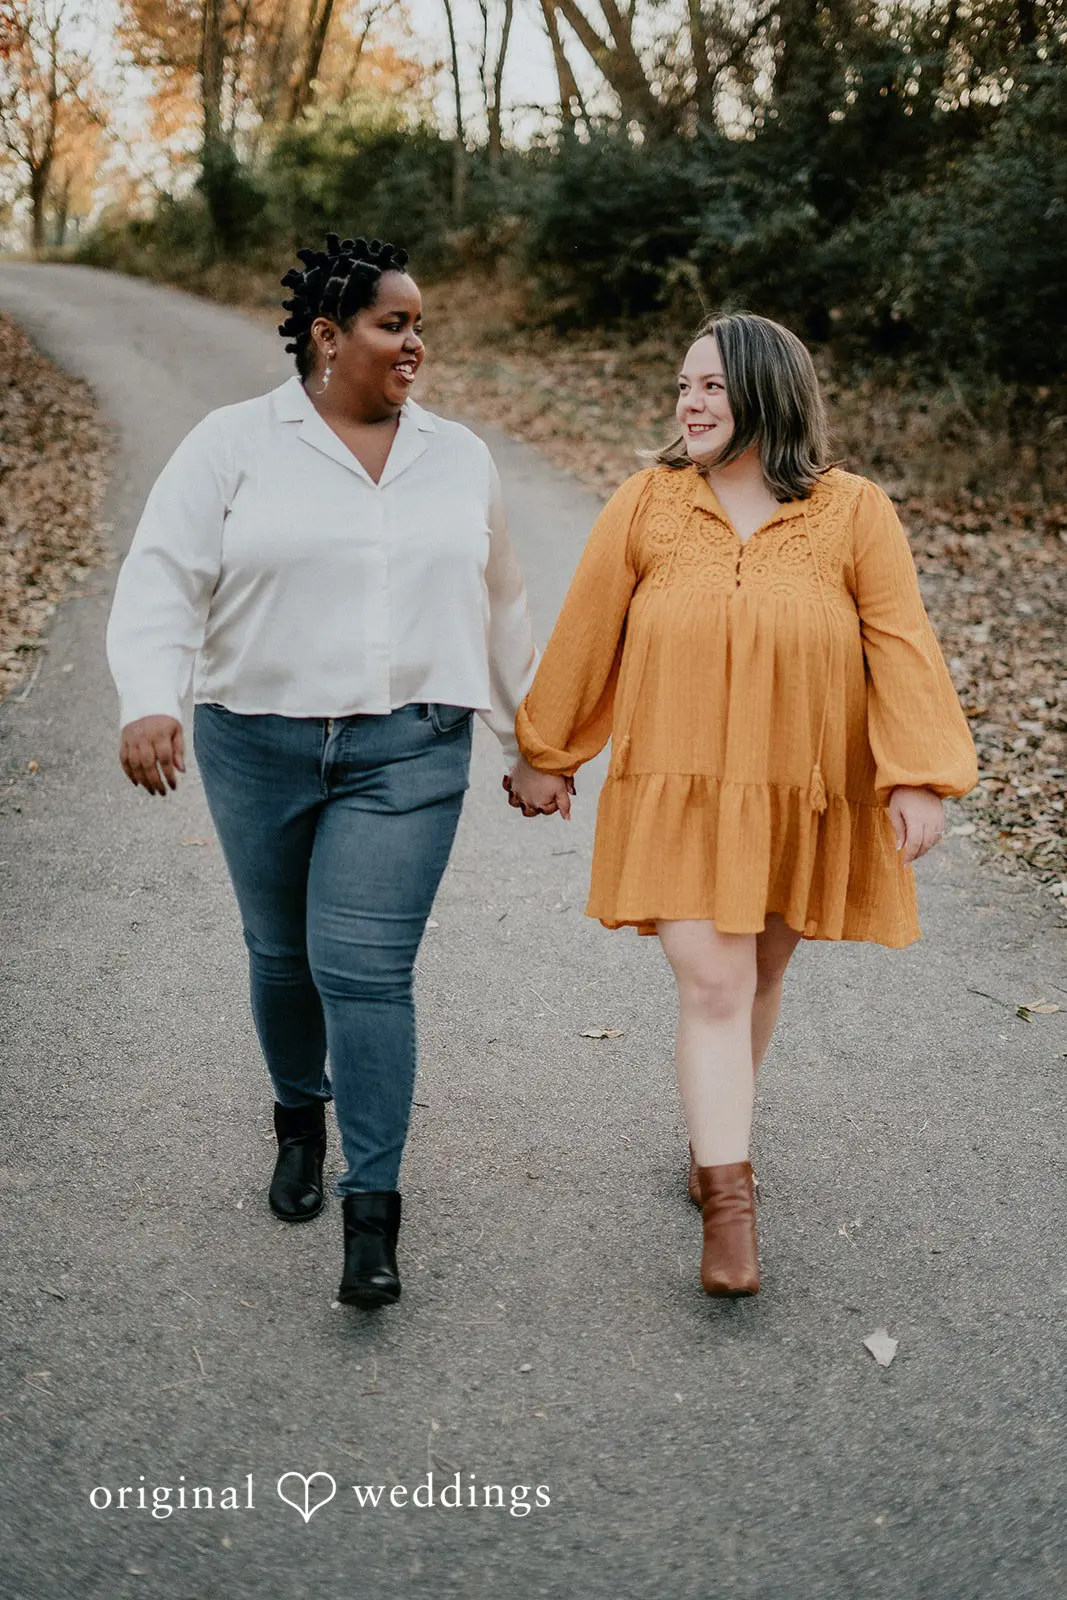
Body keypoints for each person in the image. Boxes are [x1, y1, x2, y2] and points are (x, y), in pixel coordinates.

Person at [504, 311, 977, 1299]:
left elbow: (897, 640)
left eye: (711, 386)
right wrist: (544, 751)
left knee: (756, 972)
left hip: (797, 792)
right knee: (713, 983)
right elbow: (586, 629)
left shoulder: (851, 512)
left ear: (767, 391)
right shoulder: (645, 504)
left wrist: (917, 771)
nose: (688, 401)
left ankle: (713, 1133)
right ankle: (729, 1203)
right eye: (683, 385)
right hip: (675, 789)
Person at [107, 233, 538, 1310]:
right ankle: (299, 1119)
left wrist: (530, 742)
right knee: (282, 953)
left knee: (362, 968)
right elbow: (164, 573)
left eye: (420, 325)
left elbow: (502, 602)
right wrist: (150, 698)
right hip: (257, 741)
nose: (415, 345)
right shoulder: (231, 444)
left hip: (411, 746)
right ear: (326, 336)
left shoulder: (458, 456)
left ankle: (372, 1214)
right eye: (394, 325)